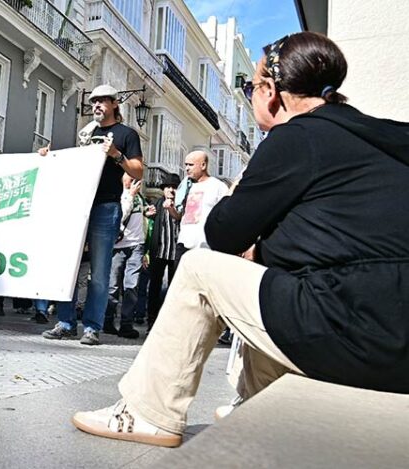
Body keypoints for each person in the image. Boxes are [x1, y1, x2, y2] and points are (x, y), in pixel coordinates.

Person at [70, 32, 409, 447]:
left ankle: (148, 412)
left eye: (251, 87)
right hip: (397, 339)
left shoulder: (295, 138)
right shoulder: (390, 138)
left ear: (270, 93)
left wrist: (244, 193)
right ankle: (261, 406)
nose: (251, 95)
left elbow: (223, 234)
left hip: (355, 333)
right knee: (277, 280)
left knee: (200, 269)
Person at [40, 84, 144, 346]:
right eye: (94, 102)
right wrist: (48, 158)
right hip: (79, 205)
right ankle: (65, 323)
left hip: (107, 206)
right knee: (70, 267)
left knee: (99, 270)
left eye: (102, 101)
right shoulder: (86, 133)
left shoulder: (126, 134)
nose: (96, 105)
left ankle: (92, 327)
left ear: (114, 104)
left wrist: (116, 155)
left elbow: (138, 171)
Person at [103, 175, 149, 339]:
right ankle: (108, 321)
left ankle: (126, 324)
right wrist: (130, 195)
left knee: (132, 286)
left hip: (137, 245)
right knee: (113, 285)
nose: (133, 182)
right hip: (119, 246)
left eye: (136, 179)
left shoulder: (140, 197)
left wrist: (147, 214)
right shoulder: (121, 195)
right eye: (130, 178)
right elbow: (119, 217)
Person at [165, 151, 228, 267]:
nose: (187, 168)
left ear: (203, 165)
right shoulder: (185, 187)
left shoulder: (218, 187)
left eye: (191, 165)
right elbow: (179, 216)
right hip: (184, 243)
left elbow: (227, 216)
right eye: (186, 165)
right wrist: (170, 209)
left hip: (206, 246)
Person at [145, 173, 181, 330]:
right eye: (168, 187)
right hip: (159, 251)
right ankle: (152, 321)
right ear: (163, 189)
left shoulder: (182, 205)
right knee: (154, 287)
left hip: (175, 254)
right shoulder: (157, 205)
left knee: (175, 288)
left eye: (174, 187)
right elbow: (148, 225)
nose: (171, 190)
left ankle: (171, 323)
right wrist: (147, 214)